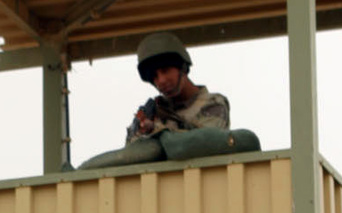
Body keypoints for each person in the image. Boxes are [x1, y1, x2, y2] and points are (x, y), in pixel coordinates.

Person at [77, 31, 243, 170]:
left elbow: (202, 143)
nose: (161, 81)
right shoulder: (154, 110)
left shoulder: (213, 104)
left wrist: (157, 130)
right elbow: (131, 155)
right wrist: (143, 131)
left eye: (165, 70)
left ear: (182, 68)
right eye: (154, 77)